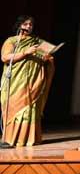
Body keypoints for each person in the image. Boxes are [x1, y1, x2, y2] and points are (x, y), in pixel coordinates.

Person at [1, 16, 54, 147]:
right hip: (16, 81)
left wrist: (48, 59)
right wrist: (25, 52)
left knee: (30, 108)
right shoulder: (12, 41)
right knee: (14, 107)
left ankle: (28, 139)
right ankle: (10, 139)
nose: (29, 26)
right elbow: (5, 58)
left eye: (31, 24)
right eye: (26, 24)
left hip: (34, 82)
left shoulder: (38, 42)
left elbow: (48, 58)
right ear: (19, 25)